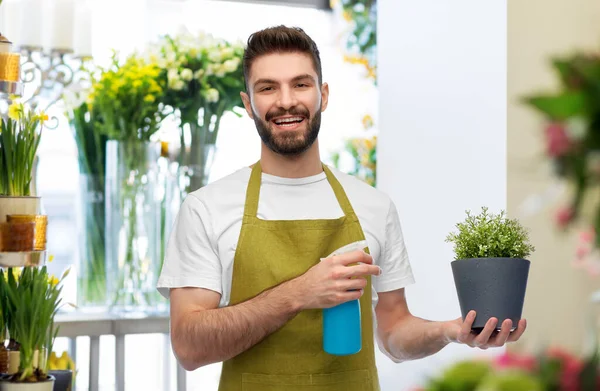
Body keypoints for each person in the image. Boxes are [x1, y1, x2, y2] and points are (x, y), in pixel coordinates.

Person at [157, 25, 526, 391]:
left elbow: (394, 333)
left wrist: (449, 331)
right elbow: (189, 347)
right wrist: (300, 292)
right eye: (268, 88)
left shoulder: (373, 206)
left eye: (300, 84)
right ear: (248, 103)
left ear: (324, 95)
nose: (286, 101)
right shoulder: (207, 208)